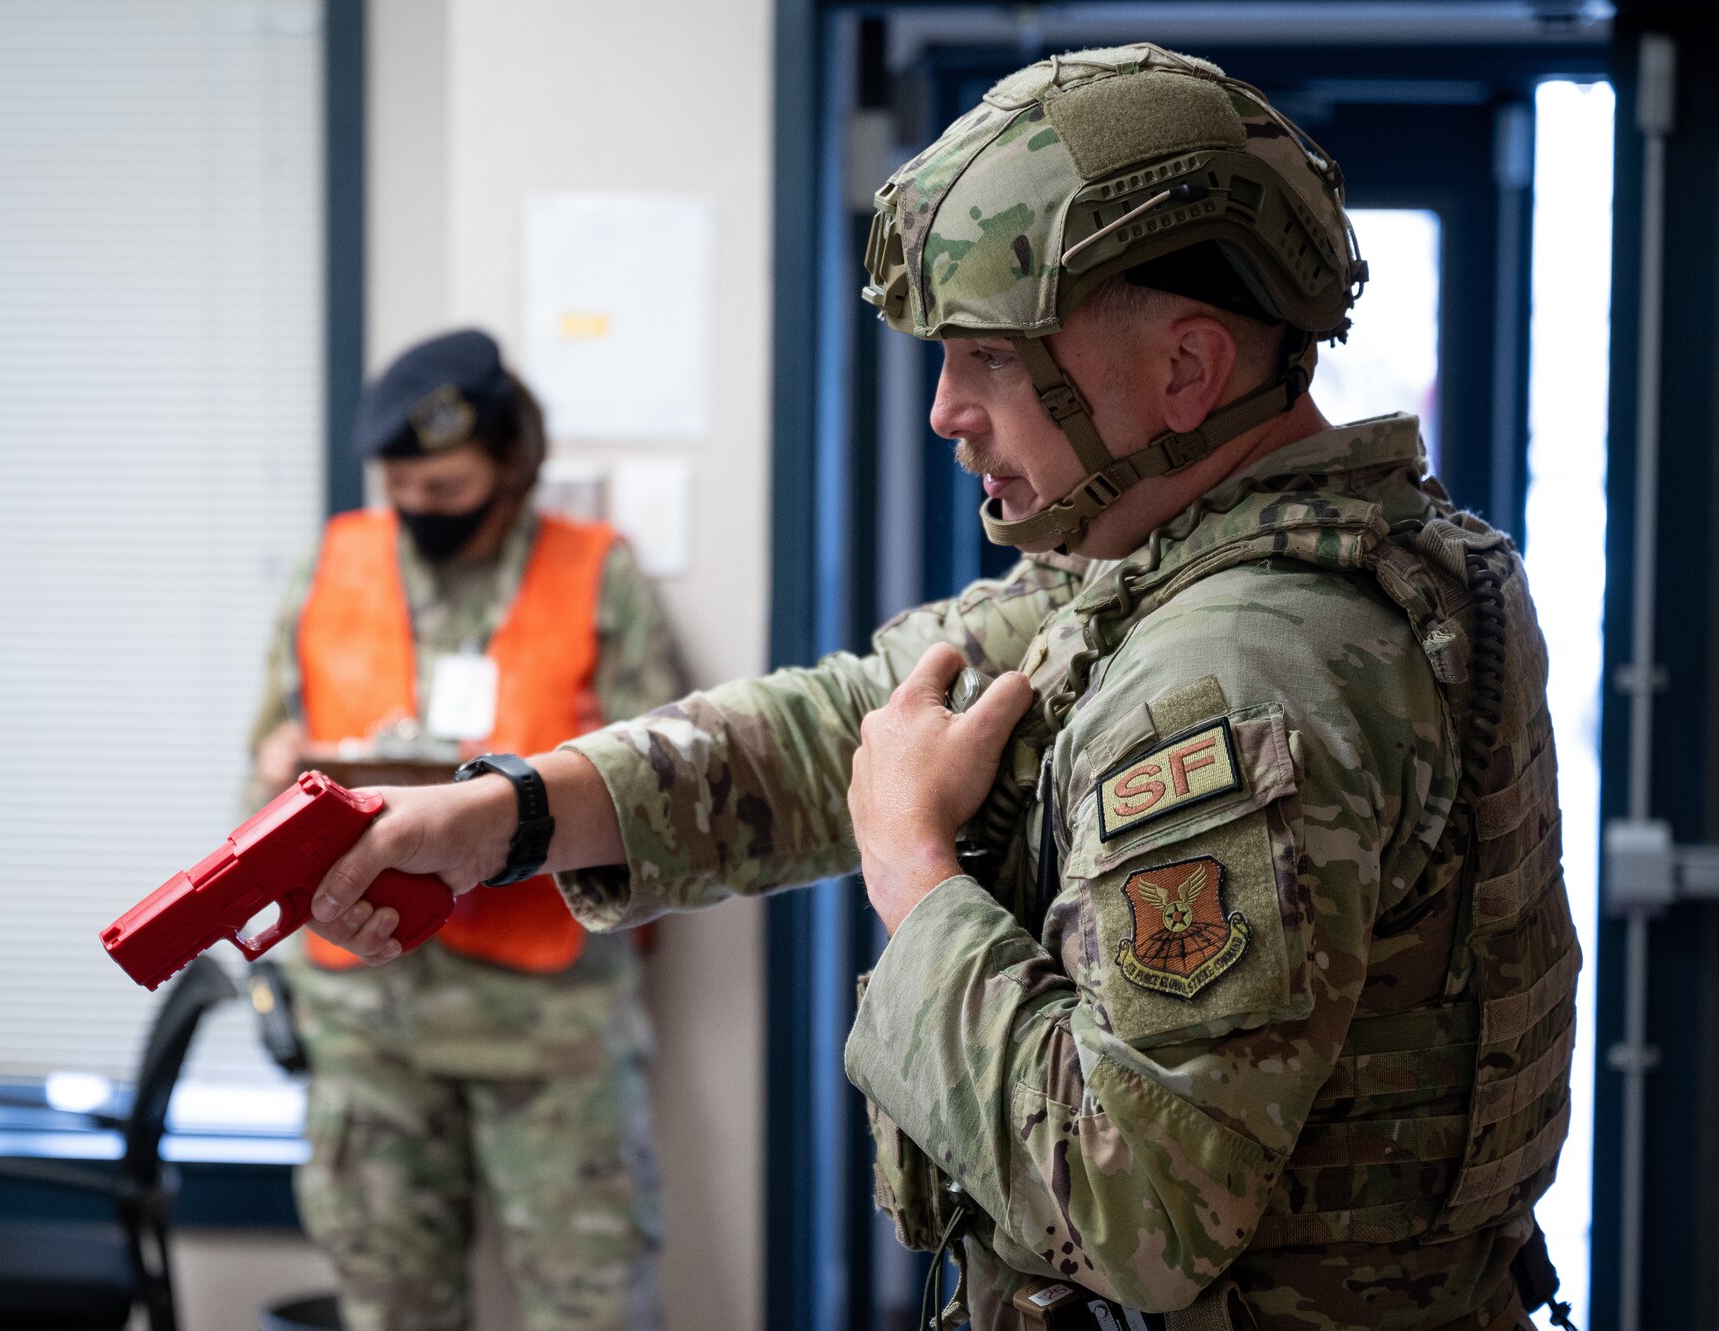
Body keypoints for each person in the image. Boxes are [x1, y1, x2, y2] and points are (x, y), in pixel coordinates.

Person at [304, 47, 1577, 1331]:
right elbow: (851, 721)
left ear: (1186, 369)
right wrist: (508, 813)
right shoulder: (1247, 557)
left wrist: (911, 866)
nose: (943, 410)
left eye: (986, 356)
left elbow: (1134, 1207)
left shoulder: (1233, 671)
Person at [248, 328, 686, 1331]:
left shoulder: (595, 573)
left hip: (546, 1023)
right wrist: (279, 767)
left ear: (509, 465)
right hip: (367, 1027)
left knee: (591, 1306)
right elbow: (261, 763)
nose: (418, 512)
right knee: (387, 1305)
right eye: (401, 489)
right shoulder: (333, 563)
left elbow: (662, 797)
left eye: (444, 489)